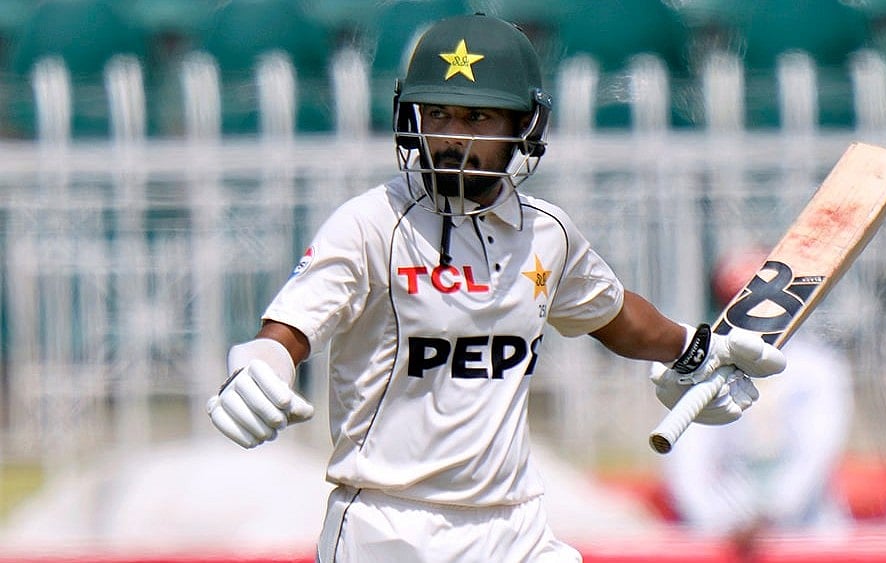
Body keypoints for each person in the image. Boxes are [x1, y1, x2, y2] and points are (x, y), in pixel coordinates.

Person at [205, 14, 786, 563]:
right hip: (387, 524)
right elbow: (288, 331)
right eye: (439, 115)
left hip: (514, 525)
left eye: (478, 118)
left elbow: (616, 316)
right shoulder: (371, 222)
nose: (453, 138)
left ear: (522, 127)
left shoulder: (547, 233)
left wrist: (697, 348)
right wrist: (262, 361)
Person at [660, 248, 855, 561]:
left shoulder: (817, 366)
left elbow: (815, 453)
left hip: (808, 531)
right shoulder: (702, 370)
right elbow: (688, 464)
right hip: (725, 535)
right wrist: (720, 523)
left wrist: (772, 514)